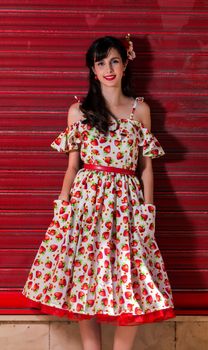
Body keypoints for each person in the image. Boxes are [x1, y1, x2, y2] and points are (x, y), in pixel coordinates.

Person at [22, 34, 176, 350]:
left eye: (114, 61)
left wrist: (148, 210)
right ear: (93, 70)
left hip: (127, 204)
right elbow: (72, 166)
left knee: (128, 276)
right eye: (100, 62)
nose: (108, 68)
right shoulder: (78, 111)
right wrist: (62, 205)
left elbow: (147, 167)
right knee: (83, 274)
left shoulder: (140, 110)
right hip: (86, 202)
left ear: (125, 65)